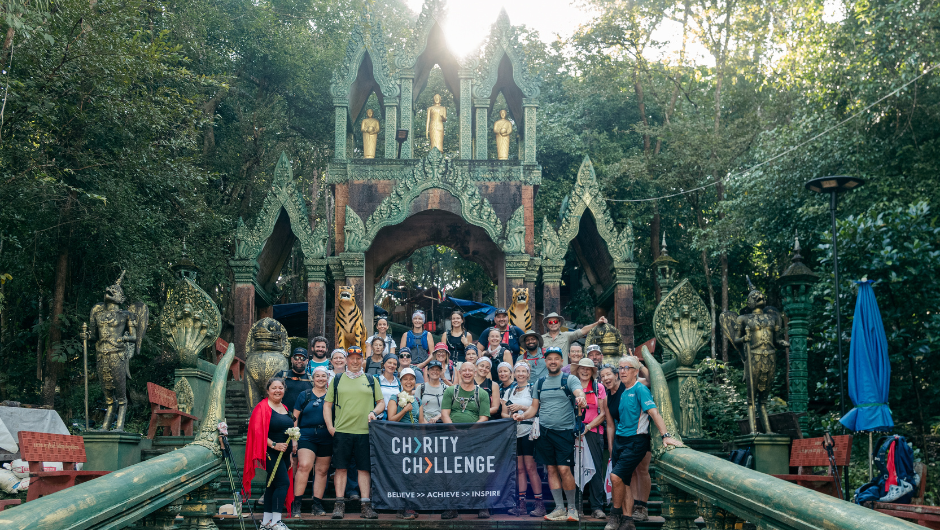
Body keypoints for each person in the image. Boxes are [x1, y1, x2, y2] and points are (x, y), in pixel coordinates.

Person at [605, 356, 682, 530]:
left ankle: (614, 515)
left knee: (616, 477)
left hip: (636, 441)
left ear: (635, 371)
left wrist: (665, 435)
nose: (622, 371)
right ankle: (627, 520)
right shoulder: (624, 391)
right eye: (620, 368)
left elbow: (654, 413)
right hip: (620, 440)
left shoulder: (640, 389)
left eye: (626, 368)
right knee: (623, 481)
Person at [514, 347, 586, 522]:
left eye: (556, 358)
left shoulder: (570, 379)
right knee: (552, 470)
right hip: (545, 433)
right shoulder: (539, 383)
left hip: (564, 433)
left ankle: (572, 508)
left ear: (562, 361)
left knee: (564, 469)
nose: (553, 361)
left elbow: (579, 392)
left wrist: (581, 398)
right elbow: (534, 408)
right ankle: (559, 508)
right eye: (549, 359)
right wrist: (522, 416)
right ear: (545, 362)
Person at [323, 345, 385, 520]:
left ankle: (365, 505)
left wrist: (374, 412)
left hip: (365, 431)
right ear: (347, 361)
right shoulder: (337, 379)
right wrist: (330, 426)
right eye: (352, 358)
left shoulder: (371, 379)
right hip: (342, 431)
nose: (355, 361)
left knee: (364, 469)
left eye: (359, 358)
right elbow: (327, 404)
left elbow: (381, 402)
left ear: (362, 360)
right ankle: (339, 504)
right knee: (341, 468)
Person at [441, 362, 491, 519]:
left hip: (475, 439)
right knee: (452, 472)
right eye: (465, 370)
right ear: (460, 373)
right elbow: (444, 414)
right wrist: (455, 431)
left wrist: (469, 431)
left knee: (478, 471)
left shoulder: (481, 393)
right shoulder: (450, 391)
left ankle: (482, 506)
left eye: (471, 370)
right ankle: (452, 507)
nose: (468, 373)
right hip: (452, 438)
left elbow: (484, 417)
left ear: (475, 372)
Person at [244, 377, 295, 530]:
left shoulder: (285, 407)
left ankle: (266, 522)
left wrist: (290, 455)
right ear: (267, 390)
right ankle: (276, 521)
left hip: (284, 453)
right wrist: (273, 444)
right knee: (282, 483)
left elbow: (289, 434)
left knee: (271, 485)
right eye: (274, 388)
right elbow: (257, 432)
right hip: (269, 451)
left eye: (280, 387)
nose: (277, 390)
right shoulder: (262, 407)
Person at [501, 361, 545, 517]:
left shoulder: (533, 389)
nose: (520, 374)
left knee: (530, 467)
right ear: (514, 374)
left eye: (523, 371)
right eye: (517, 371)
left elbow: (538, 408)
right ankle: (521, 504)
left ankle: (539, 504)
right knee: (519, 469)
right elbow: (503, 413)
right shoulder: (509, 391)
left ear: (528, 374)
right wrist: (511, 414)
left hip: (529, 431)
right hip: (515, 432)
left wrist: (521, 407)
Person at [292, 367, 332, 518]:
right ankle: (297, 504)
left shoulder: (332, 395)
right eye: (318, 376)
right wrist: (295, 439)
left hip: (326, 435)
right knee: (304, 466)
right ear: (313, 378)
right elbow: (294, 418)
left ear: (327, 378)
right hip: (306, 435)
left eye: (323, 376)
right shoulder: (305, 395)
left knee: (322, 471)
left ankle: (317, 503)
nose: (321, 378)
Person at [387, 367, 422, 520]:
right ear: (400, 381)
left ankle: (410, 506)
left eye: (411, 379)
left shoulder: (418, 400)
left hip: (415, 442)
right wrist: (404, 409)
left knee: (413, 474)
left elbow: (421, 422)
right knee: (402, 474)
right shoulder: (394, 398)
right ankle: (402, 507)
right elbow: (391, 419)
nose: (409, 382)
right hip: (400, 441)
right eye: (405, 379)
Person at [575, 358, 608, 520]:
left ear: (592, 372)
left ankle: (596, 506)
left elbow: (603, 413)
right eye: (582, 368)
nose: (585, 371)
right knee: (575, 468)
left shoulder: (598, 387)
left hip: (593, 430)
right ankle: (577, 506)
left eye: (588, 369)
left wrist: (587, 428)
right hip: (574, 432)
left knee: (595, 468)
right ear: (577, 370)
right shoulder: (571, 386)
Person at [542, 312, 607, 364]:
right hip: (546, 373)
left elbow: (582, 331)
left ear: (559, 323)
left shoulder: (566, 336)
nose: (553, 323)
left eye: (555, 321)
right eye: (550, 322)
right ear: (547, 324)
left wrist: (597, 323)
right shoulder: (541, 339)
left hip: (562, 373)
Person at [277, 348, 313, 415]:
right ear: (291, 359)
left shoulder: (312, 380)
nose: (299, 361)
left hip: (304, 420)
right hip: (284, 417)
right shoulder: (281, 376)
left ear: (307, 361)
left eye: (302, 358)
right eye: (296, 358)